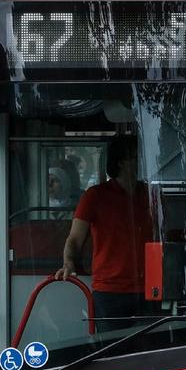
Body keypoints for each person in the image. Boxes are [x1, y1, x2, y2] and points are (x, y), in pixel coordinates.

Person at [56, 136, 158, 333]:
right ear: (122, 163)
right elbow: (75, 239)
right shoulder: (95, 196)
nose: (143, 163)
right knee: (112, 352)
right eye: (137, 158)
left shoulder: (150, 194)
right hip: (110, 291)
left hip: (149, 288)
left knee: (149, 351)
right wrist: (68, 262)